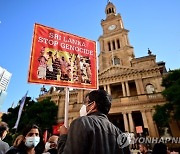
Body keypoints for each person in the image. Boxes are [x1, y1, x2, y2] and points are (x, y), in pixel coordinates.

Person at [58, 89, 130, 154]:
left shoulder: (81, 122)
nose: (83, 106)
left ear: (92, 105)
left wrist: (63, 136)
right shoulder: (121, 134)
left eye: (85, 103)